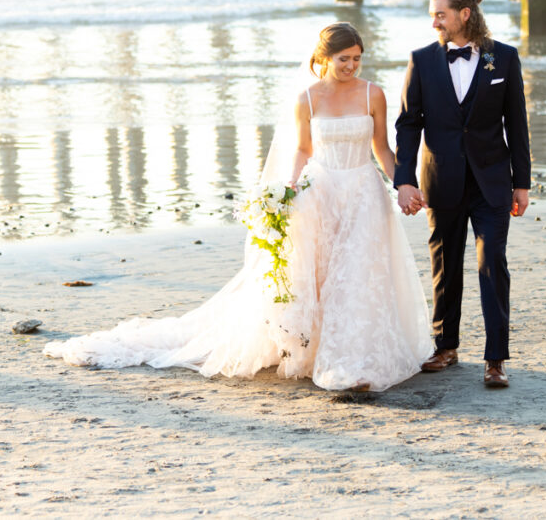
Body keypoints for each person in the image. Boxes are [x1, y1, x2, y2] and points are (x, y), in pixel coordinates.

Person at [45, 23, 433, 392]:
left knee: (357, 276)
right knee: (321, 275)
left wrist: (402, 182)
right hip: (323, 192)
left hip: (363, 191)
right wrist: (289, 188)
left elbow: (382, 147)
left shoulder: (373, 94)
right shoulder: (307, 99)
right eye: (343, 58)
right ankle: (317, 353)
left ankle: (353, 358)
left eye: (356, 58)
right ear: (324, 57)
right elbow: (302, 149)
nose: (350, 66)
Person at [393, 0, 531, 388]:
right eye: (433, 14)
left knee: (493, 266)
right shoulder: (421, 60)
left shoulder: (503, 58)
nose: (434, 21)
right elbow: (408, 125)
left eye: (441, 13)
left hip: (492, 182)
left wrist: (521, 183)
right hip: (442, 180)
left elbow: (517, 124)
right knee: (445, 267)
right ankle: (446, 347)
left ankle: (495, 359)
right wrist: (404, 180)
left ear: (464, 14)